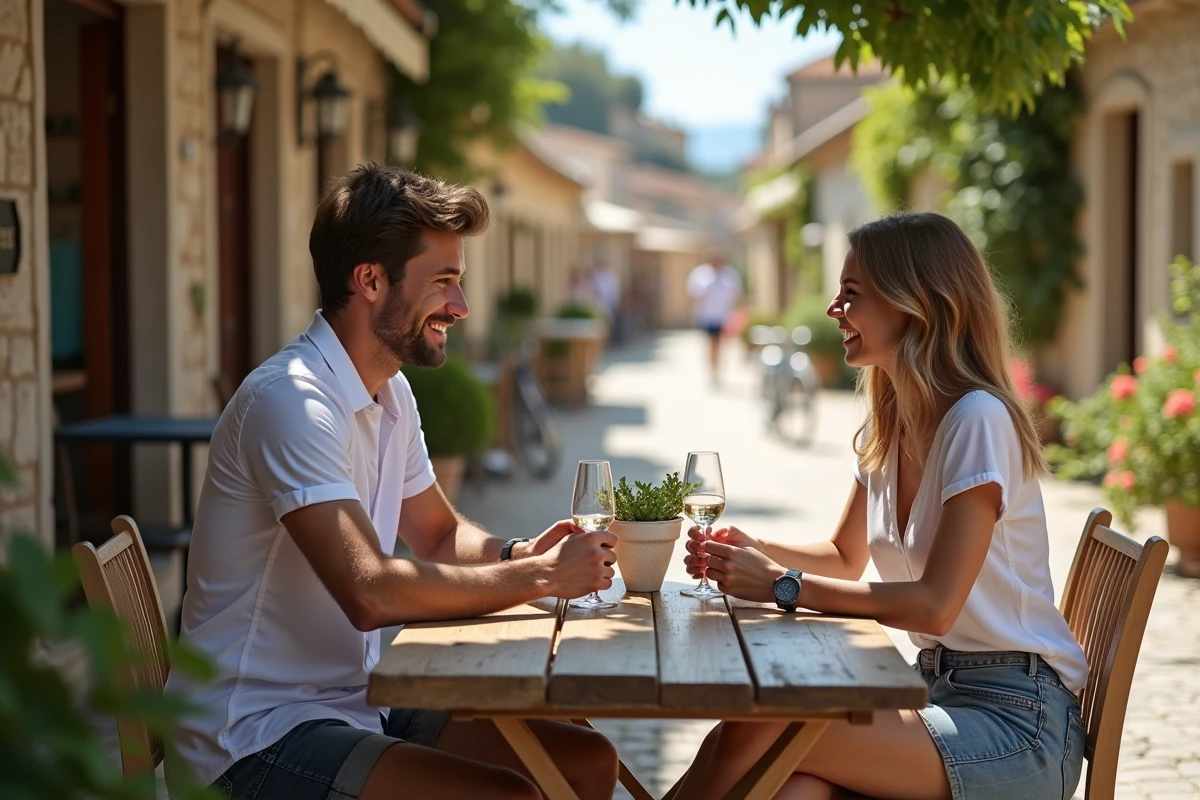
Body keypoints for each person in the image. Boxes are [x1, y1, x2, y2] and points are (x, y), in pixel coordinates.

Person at [164, 164, 620, 800]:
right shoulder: (293, 402)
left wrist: (521, 555)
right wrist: (542, 579)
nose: (460, 307)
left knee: (586, 761)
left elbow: (436, 534)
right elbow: (370, 592)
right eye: (443, 283)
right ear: (370, 280)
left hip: (358, 699)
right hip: (252, 736)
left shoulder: (389, 392)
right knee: (506, 795)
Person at [677, 212, 1088, 800]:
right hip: (934, 697)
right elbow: (845, 556)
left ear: (915, 302)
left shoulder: (976, 419)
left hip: (1020, 724)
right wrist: (751, 551)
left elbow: (935, 607)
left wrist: (781, 585)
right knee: (788, 786)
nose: (832, 311)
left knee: (766, 725)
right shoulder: (893, 422)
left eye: (851, 294)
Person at [686, 252, 743, 385]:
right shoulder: (701, 274)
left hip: (724, 316)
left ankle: (718, 368)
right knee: (712, 343)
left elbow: (737, 293)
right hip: (707, 316)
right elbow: (694, 293)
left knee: (721, 344)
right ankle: (712, 370)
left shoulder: (729, 274)